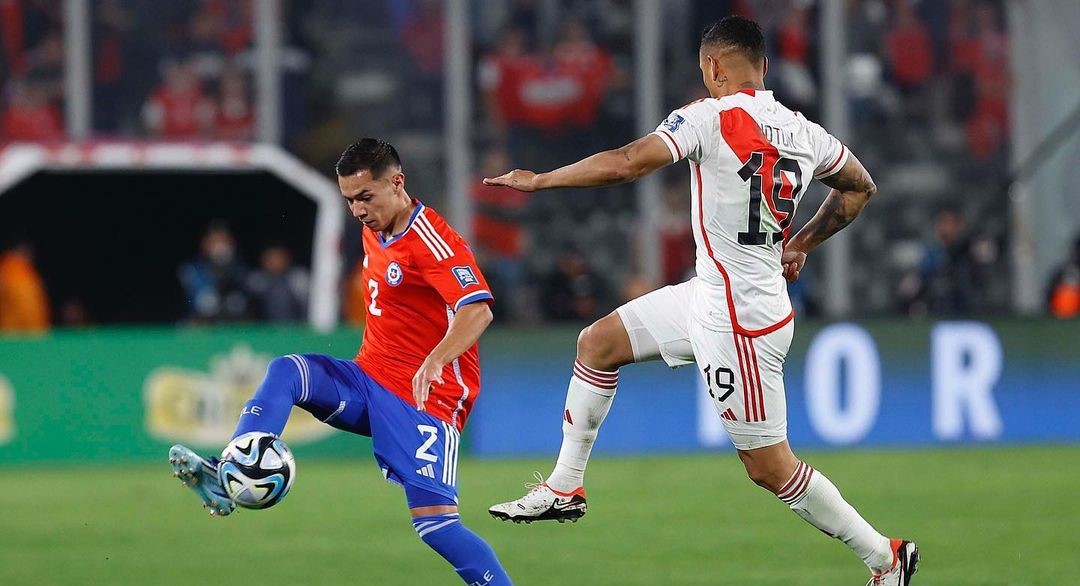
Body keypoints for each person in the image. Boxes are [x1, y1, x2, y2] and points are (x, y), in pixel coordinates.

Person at [484, 16, 917, 586]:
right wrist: (801, 243)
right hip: (712, 295)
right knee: (598, 343)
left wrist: (541, 181)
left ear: (713, 68)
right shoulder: (805, 131)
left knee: (767, 467)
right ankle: (565, 486)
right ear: (763, 68)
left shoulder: (708, 117)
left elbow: (627, 162)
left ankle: (886, 558)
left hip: (740, 322)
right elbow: (861, 187)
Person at [168, 139, 512, 585]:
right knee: (289, 371)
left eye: (365, 197)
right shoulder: (376, 227)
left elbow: (478, 309)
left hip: (426, 399)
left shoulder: (433, 241)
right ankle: (231, 467)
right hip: (369, 378)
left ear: (397, 182)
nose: (357, 211)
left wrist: (434, 361)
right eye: (349, 200)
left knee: (437, 527)